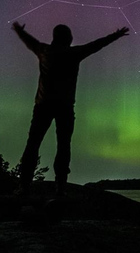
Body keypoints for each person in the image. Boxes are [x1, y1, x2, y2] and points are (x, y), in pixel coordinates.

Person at [12, 21, 129, 196]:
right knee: (64, 146)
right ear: (68, 39)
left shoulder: (44, 51)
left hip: (42, 106)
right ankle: (60, 187)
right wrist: (115, 35)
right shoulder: (74, 53)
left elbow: (30, 41)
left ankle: (24, 186)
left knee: (33, 145)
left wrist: (19, 31)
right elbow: (96, 45)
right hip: (65, 108)